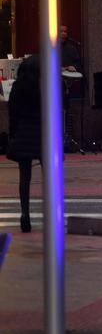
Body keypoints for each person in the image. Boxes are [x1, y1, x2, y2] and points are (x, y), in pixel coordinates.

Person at [7, 56, 42, 233]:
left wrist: (13, 135)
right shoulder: (45, 86)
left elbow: (12, 112)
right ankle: (52, 212)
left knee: (24, 177)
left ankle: (25, 214)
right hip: (44, 134)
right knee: (49, 176)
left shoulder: (18, 87)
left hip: (23, 132)